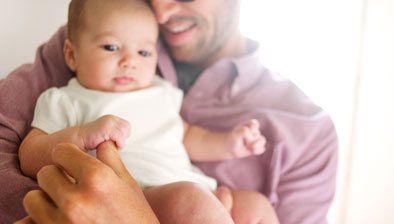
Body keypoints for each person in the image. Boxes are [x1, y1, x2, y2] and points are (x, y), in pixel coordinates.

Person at [0, 0, 338, 223]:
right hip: (149, 189)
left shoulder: (160, 92)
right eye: (111, 48)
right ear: (72, 55)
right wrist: (78, 137)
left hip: (200, 190)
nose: (160, 12)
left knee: (256, 207)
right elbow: (25, 152)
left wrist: (230, 144)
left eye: (144, 52)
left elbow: (188, 136)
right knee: (190, 202)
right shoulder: (90, 51)